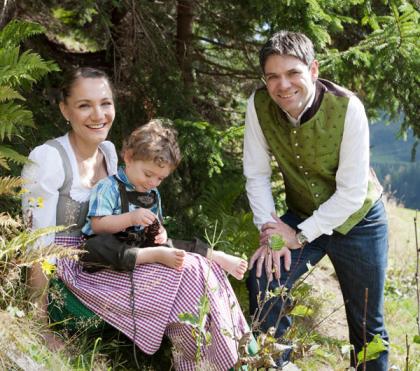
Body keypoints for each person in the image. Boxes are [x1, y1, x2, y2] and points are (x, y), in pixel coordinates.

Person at [22, 67, 250, 370]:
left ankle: (239, 358)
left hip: (113, 256)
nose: (98, 114)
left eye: (105, 103)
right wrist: (39, 324)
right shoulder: (48, 158)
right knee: (193, 269)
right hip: (74, 269)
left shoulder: (109, 152)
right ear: (65, 109)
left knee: (199, 268)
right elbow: (35, 244)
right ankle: (222, 363)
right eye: (84, 105)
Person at [243, 31, 388, 370]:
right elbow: (257, 174)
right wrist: (272, 233)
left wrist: (300, 235)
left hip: (359, 221)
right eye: (273, 77)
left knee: (368, 324)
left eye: (293, 73)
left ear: (313, 70)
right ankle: (278, 365)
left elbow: (352, 193)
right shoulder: (258, 104)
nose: (283, 85)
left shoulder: (348, 107)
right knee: (264, 278)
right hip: (304, 213)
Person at [81, 119, 248, 279]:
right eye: (148, 174)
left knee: (174, 244)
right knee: (93, 248)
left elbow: (156, 225)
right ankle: (149, 256)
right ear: (129, 157)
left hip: (139, 244)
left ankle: (215, 256)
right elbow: (98, 226)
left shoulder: (152, 193)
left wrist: (160, 232)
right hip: (112, 245)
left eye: (160, 179)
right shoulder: (108, 187)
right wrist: (131, 218)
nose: (153, 183)